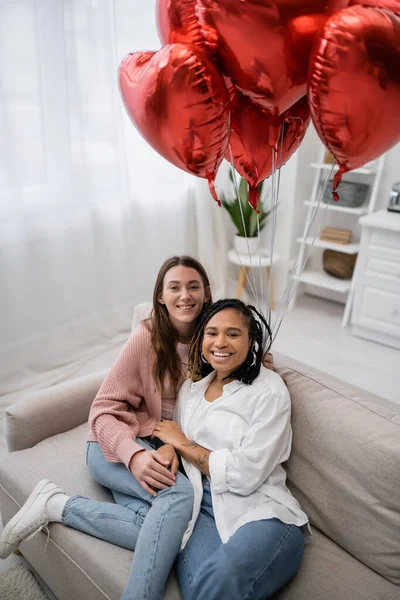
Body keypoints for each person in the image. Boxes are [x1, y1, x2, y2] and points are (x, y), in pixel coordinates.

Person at [0, 256, 276, 600]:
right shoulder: (146, 338)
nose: (184, 295)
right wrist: (133, 456)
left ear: (206, 293)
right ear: (160, 296)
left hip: (161, 445)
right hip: (112, 444)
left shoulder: (214, 343)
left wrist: (257, 360)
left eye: (193, 286)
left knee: (165, 526)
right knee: (178, 497)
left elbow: (207, 407)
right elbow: (101, 410)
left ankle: (56, 505)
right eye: (173, 287)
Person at [153, 298, 309, 600]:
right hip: (202, 510)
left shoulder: (270, 391)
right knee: (200, 590)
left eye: (233, 334)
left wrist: (182, 444)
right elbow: (172, 435)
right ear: (201, 339)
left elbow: (244, 474)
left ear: (251, 340)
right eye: (211, 333)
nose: (220, 342)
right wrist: (170, 449)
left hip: (263, 513)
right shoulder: (192, 389)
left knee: (220, 581)